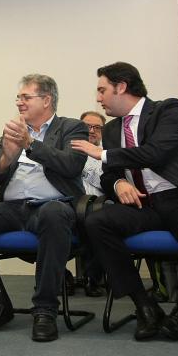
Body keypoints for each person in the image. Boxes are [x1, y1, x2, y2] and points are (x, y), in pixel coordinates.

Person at [73, 62, 178, 342]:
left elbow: (155, 153)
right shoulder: (113, 128)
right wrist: (118, 183)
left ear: (121, 87)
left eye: (102, 90)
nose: (98, 98)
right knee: (96, 222)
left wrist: (102, 154)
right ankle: (144, 305)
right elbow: (109, 175)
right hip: (143, 204)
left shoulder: (169, 110)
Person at [0, 74, 87, 342]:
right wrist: (5, 159)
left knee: (54, 213)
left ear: (46, 100)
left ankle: (45, 310)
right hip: (11, 208)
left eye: (26, 97)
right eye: (18, 97)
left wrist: (30, 145)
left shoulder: (72, 127)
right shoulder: (13, 130)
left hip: (51, 206)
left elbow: (71, 165)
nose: (19, 102)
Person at [75, 110, 106, 297]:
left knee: (94, 217)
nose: (92, 131)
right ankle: (62, 277)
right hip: (70, 204)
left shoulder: (107, 155)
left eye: (97, 127)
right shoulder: (65, 151)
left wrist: (82, 160)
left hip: (97, 204)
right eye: (87, 126)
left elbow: (104, 180)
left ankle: (92, 277)